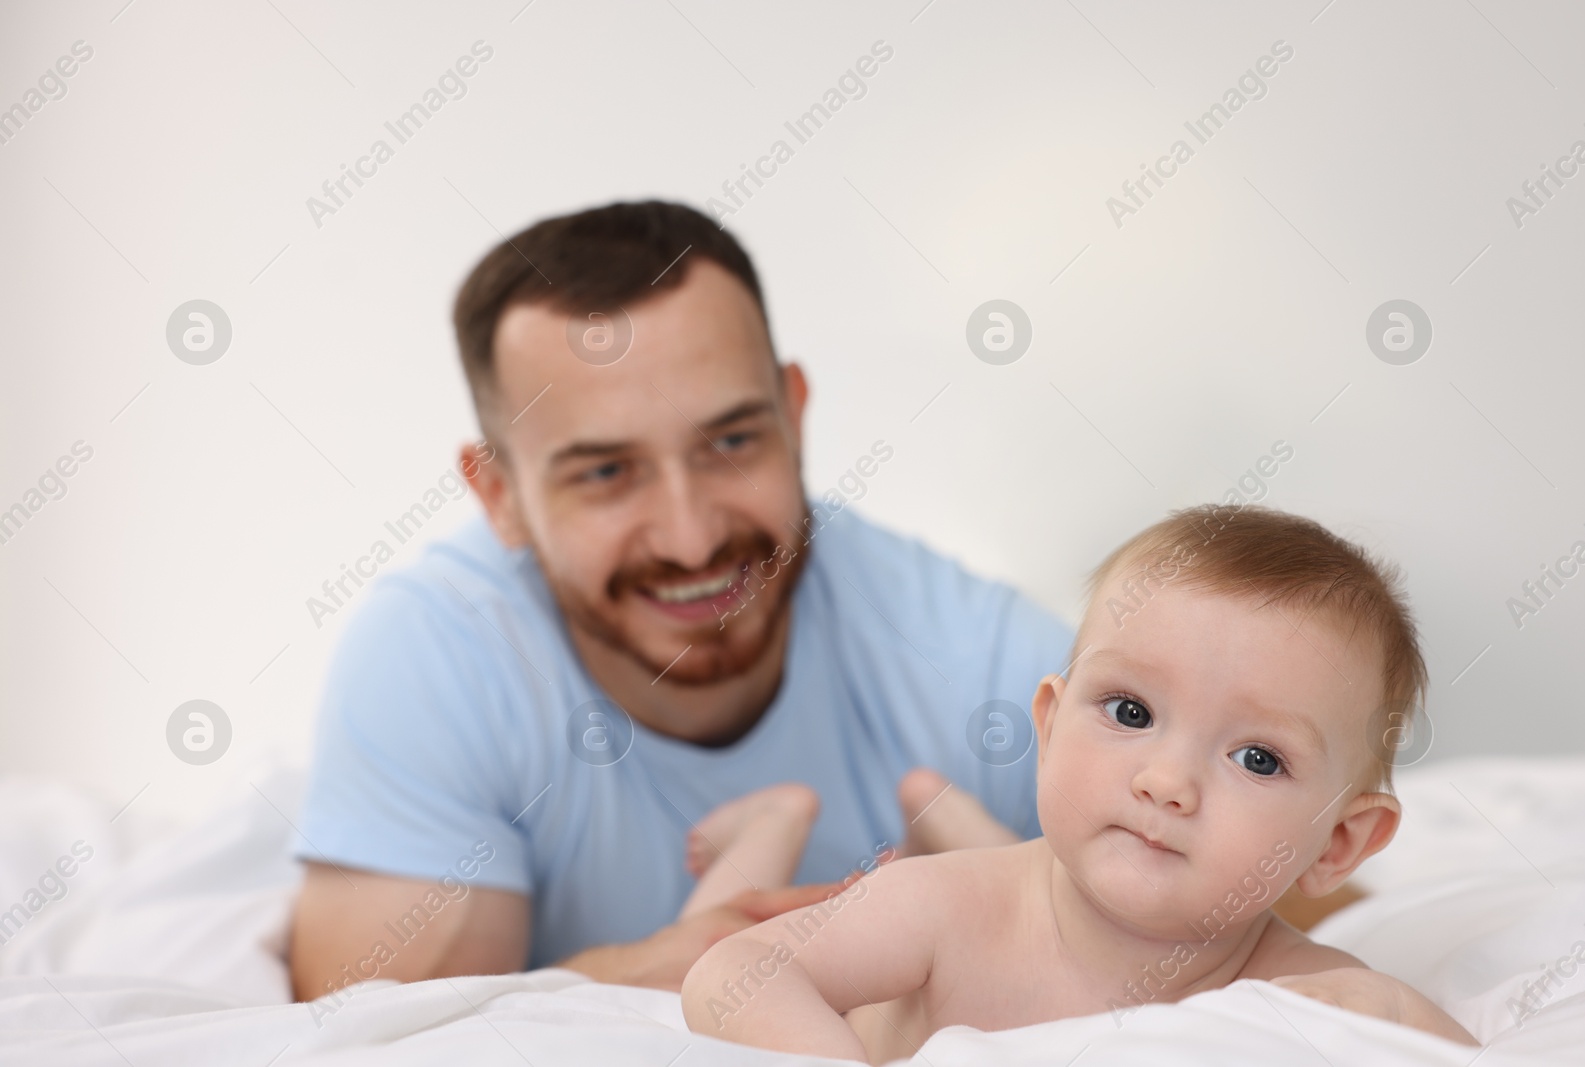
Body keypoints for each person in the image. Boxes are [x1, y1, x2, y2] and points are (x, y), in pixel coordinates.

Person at [286, 200, 1074, 1000]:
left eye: (731, 442)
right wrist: (659, 978)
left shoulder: (979, 658)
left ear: (794, 415)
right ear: (500, 495)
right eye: (605, 472)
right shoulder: (436, 657)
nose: (691, 539)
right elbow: (375, 1034)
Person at [682, 503, 1478, 1060]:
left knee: (995, 849)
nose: (1167, 782)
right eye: (1130, 710)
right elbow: (729, 973)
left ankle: (940, 814)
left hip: (1015, 861)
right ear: (1051, 724)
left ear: (1337, 842)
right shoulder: (943, 912)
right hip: (969, 880)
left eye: (1257, 758)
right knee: (732, 908)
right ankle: (772, 821)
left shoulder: (1306, 991)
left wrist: (1395, 1016)